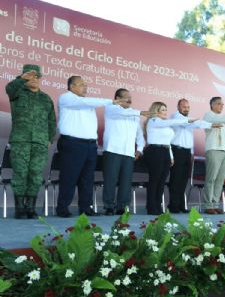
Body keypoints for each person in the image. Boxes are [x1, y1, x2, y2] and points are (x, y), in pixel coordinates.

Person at [56, 76, 124, 217]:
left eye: (86, 84)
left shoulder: (87, 103)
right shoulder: (66, 98)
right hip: (72, 143)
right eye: (81, 84)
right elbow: (85, 102)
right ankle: (62, 207)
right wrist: (111, 101)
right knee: (69, 177)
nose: (85, 87)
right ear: (71, 86)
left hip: (89, 145)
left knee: (87, 178)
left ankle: (85, 208)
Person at [5, 64, 56, 219]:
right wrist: (21, 79)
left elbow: (52, 121)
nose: (34, 79)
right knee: (20, 173)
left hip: (40, 143)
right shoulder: (17, 92)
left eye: (37, 76)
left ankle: (30, 208)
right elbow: (9, 88)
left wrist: (49, 139)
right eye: (30, 75)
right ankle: (20, 209)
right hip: (21, 141)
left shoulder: (46, 98)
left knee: (35, 174)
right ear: (24, 76)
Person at [143, 102, 203, 215]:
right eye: (163, 110)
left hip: (165, 152)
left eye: (166, 109)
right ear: (156, 111)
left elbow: (168, 143)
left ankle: (158, 206)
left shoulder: (165, 124)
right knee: (154, 181)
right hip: (154, 152)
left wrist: (171, 156)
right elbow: (173, 121)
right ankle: (151, 207)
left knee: (161, 182)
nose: (166, 112)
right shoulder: (154, 121)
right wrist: (187, 120)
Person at [102, 88, 145, 215]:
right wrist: (139, 112)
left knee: (126, 181)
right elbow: (122, 113)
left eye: (130, 96)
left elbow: (139, 133)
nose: (129, 99)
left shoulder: (134, 114)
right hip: (113, 149)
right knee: (110, 180)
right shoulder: (111, 108)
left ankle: (122, 207)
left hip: (128, 152)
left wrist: (140, 149)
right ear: (117, 98)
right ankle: (109, 206)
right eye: (126, 96)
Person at [167, 99, 208, 213]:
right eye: (184, 107)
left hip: (186, 153)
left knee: (183, 180)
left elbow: (190, 136)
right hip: (177, 151)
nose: (186, 109)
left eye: (188, 107)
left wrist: (191, 152)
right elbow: (188, 123)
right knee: (175, 179)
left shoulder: (190, 120)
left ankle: (180, 205)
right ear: (178, 107)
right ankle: (173, 206)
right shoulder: (175, 117)